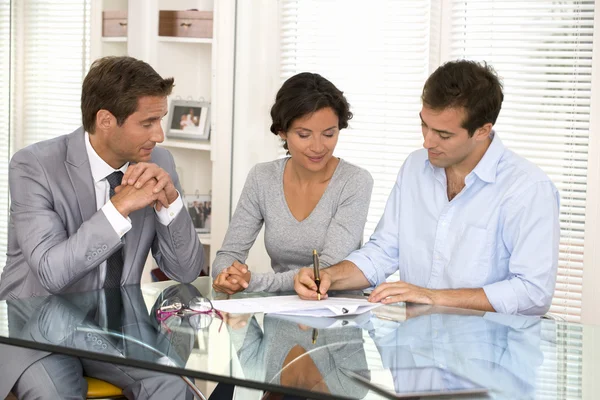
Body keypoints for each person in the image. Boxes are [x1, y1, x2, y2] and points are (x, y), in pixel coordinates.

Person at [0, 56, 204, 399]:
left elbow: (184, 271)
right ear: (106, 120)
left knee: (173, 386)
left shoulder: (159, 161)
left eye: (161, 120)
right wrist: (119, 207)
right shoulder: (34, 166)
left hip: (118, 329)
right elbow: (52, 273)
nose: (160, 134)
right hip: (40, 332)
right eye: (148, 122)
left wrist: (170, 203)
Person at [294, 60, 560, 316]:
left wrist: (434, 297)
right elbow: (384, 251)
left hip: (486, 353)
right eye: (424, 125)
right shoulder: (415, 167)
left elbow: (533, 293)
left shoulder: (528, 189)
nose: (427, 142)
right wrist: (329, 276)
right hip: (416, 351)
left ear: (482, 130)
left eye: (443, 135)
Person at [212, 72, 373, 294]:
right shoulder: (262, 177)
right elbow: (229, 254)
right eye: (304, 135)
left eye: (328, 134)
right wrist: (227, 275)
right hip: (279, 315)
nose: (318, 147)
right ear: (282, 132)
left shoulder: (355, 182)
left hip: (338, 317)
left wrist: (252, 281)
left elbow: (325, 270)